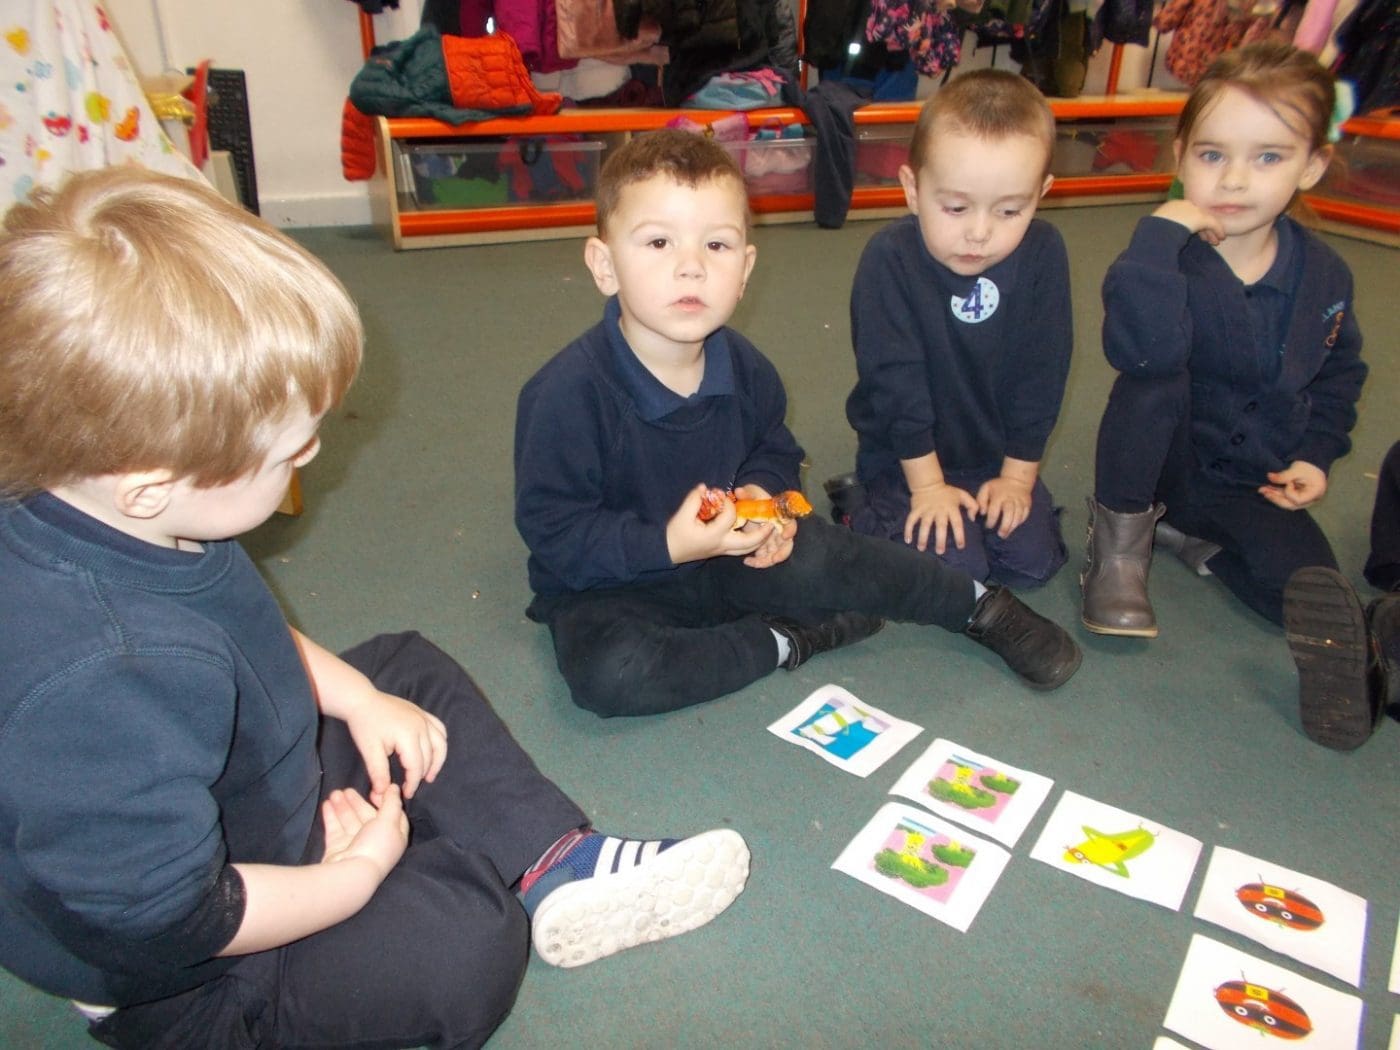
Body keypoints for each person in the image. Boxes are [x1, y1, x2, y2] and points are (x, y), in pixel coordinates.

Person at [0, 167, 750, 1050]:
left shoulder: (125, 506)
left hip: (236, 788)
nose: (313, 454)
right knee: (465, 943)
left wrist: (356, 698)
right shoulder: (100, 674)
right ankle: (455, 875)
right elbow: (171, 920)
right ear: (150, 482)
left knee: (400, 672)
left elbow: (238, 630)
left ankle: (556, 864)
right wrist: (355, 877)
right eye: (288, 452)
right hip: (185, 967)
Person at [513, 129, 1082, 719]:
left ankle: (977, 605)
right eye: (659, 242)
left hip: (738, 556)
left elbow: (773, 449)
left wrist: (765, 496)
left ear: (745, 269)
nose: (691, 268)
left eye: (717, 245)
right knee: (611, 675)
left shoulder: (748, 369)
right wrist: (668, 545)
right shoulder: (564, 395)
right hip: (615, 586)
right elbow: (556, 534)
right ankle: (786, 639)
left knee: (831, 557)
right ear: (605, 266)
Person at [1077, 43, 1376, 746]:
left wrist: (1315, 455)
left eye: (1269, 157)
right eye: (1213, 155)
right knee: (1154, 378)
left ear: (1311, 166)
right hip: (1162, 464)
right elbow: (1139, 350)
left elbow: (1340, 372)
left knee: (1301, 589)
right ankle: (1120, 546)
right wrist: (1159, 234)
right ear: (1181, 157)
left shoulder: (1325, 276)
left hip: (1252, 481)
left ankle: (1197, 545)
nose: (1235, 179)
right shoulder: (1162, 259)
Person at [835, 68, 1072, 589]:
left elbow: (1042, 372)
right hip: (905, 457)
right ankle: (859, 508)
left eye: (1010, 210)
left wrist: (1017, 478)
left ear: (1041, 193)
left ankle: (972, 507)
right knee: (958, 573)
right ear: (912, 189)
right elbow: (895, 384)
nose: (980, 232)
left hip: (993, 456)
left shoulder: (1043, 254)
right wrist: (927, 487)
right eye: (956, 207)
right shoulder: (890, 259)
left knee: (1031, 563)